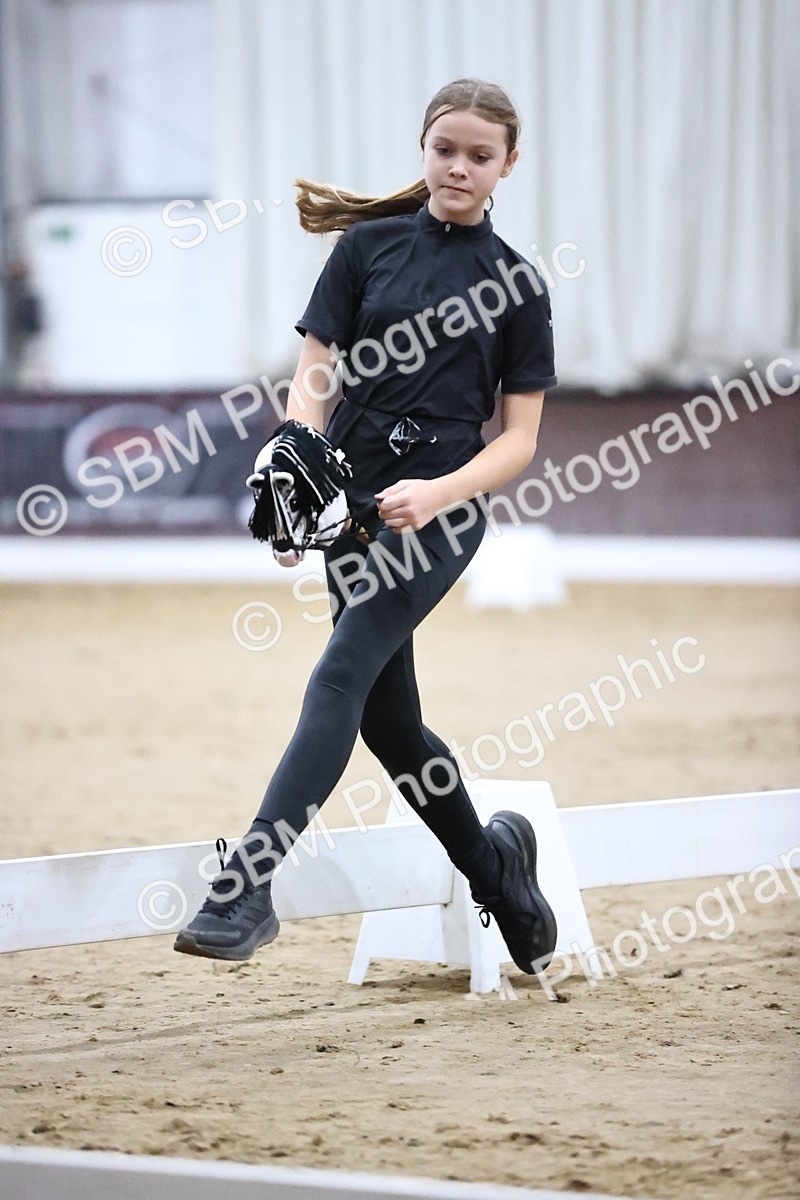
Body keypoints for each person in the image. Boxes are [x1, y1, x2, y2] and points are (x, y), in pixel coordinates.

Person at [174, 78, 558, 977]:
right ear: (424, 148)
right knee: (390, 724)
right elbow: (315, 374)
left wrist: (439, 493)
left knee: (340, 672)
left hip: (440, 508)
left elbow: (521, 440)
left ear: (508, 165)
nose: (459, 167)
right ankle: (499, 873)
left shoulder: (518, 285)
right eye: (445, 149)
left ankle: (246, 886)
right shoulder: (365, 248)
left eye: (479, 155)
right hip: (348, 503)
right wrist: (295, 461)